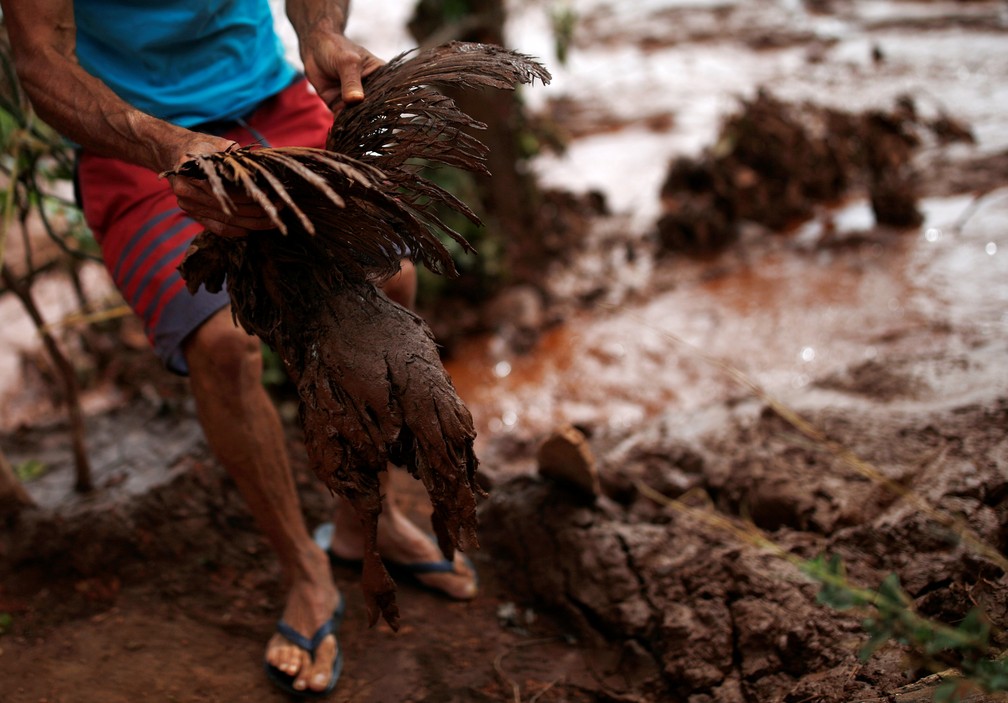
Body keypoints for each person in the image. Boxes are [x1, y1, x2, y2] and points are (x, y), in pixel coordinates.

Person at [0, 0, 478, 696]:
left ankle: (363, 520)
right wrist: (168, 146)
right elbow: (41, 60)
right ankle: (305, 574)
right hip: (134, 144)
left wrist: (321, 34)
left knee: (389, 280)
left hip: (272, 101)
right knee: (222, 344)